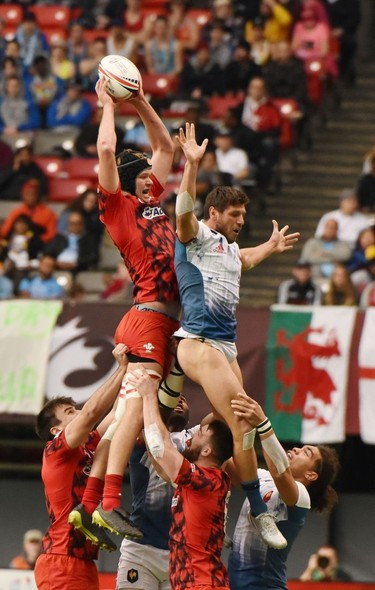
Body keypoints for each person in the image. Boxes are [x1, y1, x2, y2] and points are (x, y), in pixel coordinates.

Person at [173, 122, 299, 548]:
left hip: (223, 348)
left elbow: (242, 260)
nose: (241, 221)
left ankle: (210, 471)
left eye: (244, 216)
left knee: (235, 430)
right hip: (197, 343)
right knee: (245, 420)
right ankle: (260, 513)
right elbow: (183, 213)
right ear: (214, 214)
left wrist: (270, 246)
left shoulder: (226, 248)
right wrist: (191, 167)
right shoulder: (198, 236)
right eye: (235, 215)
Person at [68, 75, 183, 539]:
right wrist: (108, 104)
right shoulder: (116, 206)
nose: (148, 178)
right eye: (139, 174)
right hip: (149, 318)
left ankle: (89, 503)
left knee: (121, 419)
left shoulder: (152, 202)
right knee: (135, 411)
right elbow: (105, 153)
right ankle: (112, 501)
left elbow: (166, 148)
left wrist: (140, 101)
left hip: (156, 320)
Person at [127, 364, 234, 590]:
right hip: (193, 580)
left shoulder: (204, 480)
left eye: (201, 434)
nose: (195, 434)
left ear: (207, 451)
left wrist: (148, 396)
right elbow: (162, 462)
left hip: (200, 582)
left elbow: (160, 450)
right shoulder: (208, 479)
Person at [34, 344, 129, 590]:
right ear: (56, 431)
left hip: (83, 560)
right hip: (61, 559)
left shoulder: (86, 447)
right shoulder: (55, 450)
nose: (77, 413)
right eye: (69, 412)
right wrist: (121, 370)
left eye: (75, 409)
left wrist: (136, 373)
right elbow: (91, 414)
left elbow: (116, 414)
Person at [227, 392, 340, 590]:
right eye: (301, 447)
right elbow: (227, 462)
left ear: (312, 475)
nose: (297, 449)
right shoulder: (262, 477)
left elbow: (280, 473)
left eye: (307, 452)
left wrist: (263, 424)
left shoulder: (301, 497)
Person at [117, 394, 191, 590]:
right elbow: (136, 414)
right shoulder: (143, 435)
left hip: (182, 555)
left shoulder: (196, 439)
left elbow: (217, 418)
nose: (180, 400)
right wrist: (157, 400)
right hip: (141, 550)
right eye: (174, 397)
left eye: (184, 399)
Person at [0, 178, 57, 244]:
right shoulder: (16, 212)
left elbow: (51, 234)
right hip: (16, 243)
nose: (30, 197)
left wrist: (35, 241)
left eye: (33, 194)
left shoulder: (48, 213)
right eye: (27, 194)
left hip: (39, 244)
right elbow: (5, 231)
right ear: (23, 195)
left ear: (38, 195)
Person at [44, 210, 100, 276]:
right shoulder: (59, 238)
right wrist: (55, 262)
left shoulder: (89, 240)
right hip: (57, 268)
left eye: (77, 223)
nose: (74, 226)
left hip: (78, 270)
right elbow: (48, 252)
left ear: (82, 224)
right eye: (72, 223)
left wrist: (77, 263)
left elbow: (93, 257)